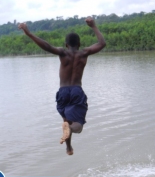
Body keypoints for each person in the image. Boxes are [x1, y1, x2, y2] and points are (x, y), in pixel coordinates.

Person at [18, 17, 106, 155]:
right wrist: (94, 26)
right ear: (79, 43)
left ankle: (68, 148)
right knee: (78, 125)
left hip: (63, 91)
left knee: (67, 121)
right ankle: (71, 131)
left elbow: (46, 46)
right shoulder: (84, 53)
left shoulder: (62, 53)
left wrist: (29, 33)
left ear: (66, 44)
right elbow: (102, 43)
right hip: (76, 90)